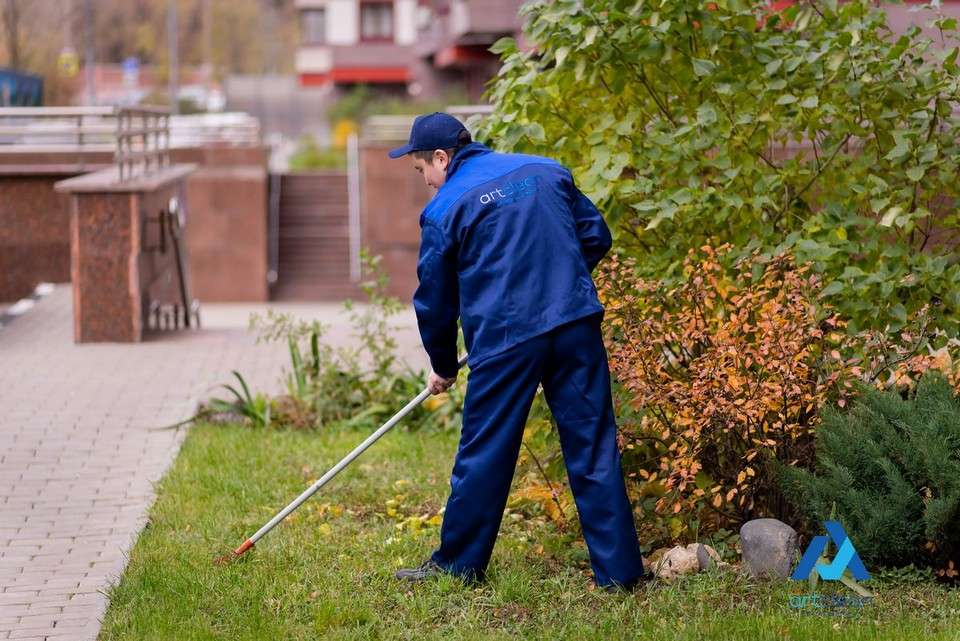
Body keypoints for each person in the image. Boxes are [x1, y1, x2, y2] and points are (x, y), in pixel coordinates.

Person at [388, 112, 645, 589]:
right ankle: (621, 575)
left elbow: (434, 302)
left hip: (507, 341)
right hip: (575, 324)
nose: (425, 180)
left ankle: (458, 566)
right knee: (593, 447)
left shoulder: (445, 210)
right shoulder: (546, 170)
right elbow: (595, 237)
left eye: (421, 168)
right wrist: (556, 283)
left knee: (485, 452)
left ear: (442, 158)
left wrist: (444, 366)